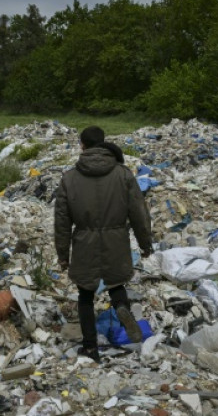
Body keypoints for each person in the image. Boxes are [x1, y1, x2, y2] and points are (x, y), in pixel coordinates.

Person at [54, 126, 152, 362]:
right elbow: (139, 212)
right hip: (115, 238)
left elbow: (62, 221)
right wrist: (145, 243)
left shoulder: (69, 178)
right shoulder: (123, 174)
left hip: (84, 240)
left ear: (82, 146)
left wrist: (63, 254)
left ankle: (90, 348)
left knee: (85, 295)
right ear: (103, 143)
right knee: (116, 283)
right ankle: (121, 307)